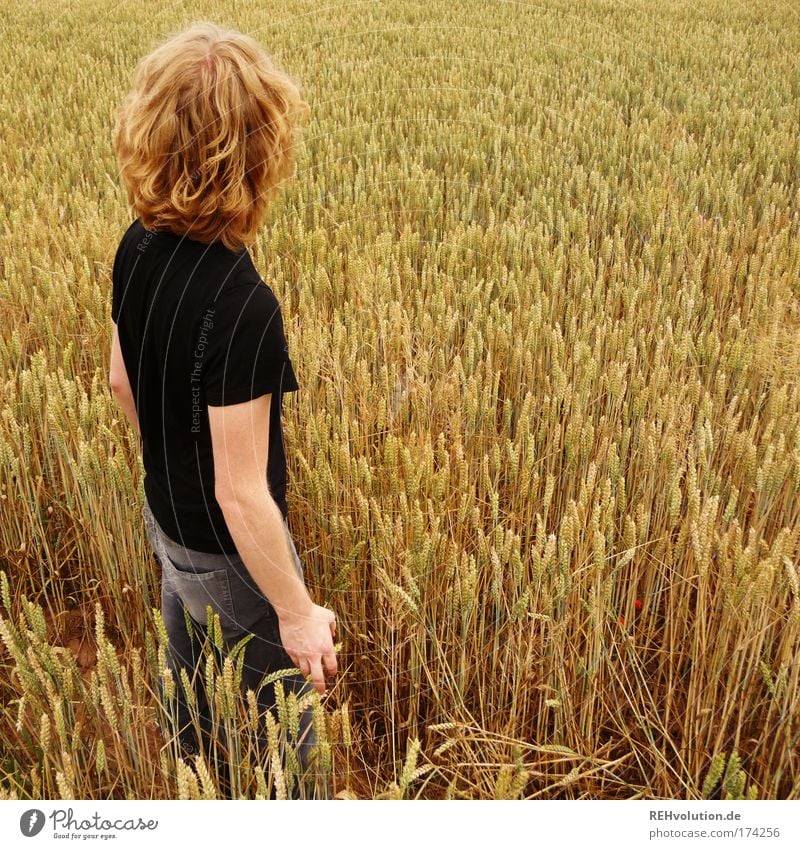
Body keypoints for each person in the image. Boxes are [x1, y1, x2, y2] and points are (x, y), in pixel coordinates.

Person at [107, 20, 337, 799]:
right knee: (289, 736)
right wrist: (298, 611)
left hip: (164, 521)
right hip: (233, 556)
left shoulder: (134, 246)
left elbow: (119, 381)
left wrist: (169, 464)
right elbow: (241, 492)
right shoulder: (243, 305)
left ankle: (195, 791)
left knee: (191, 689)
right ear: (258, 150)